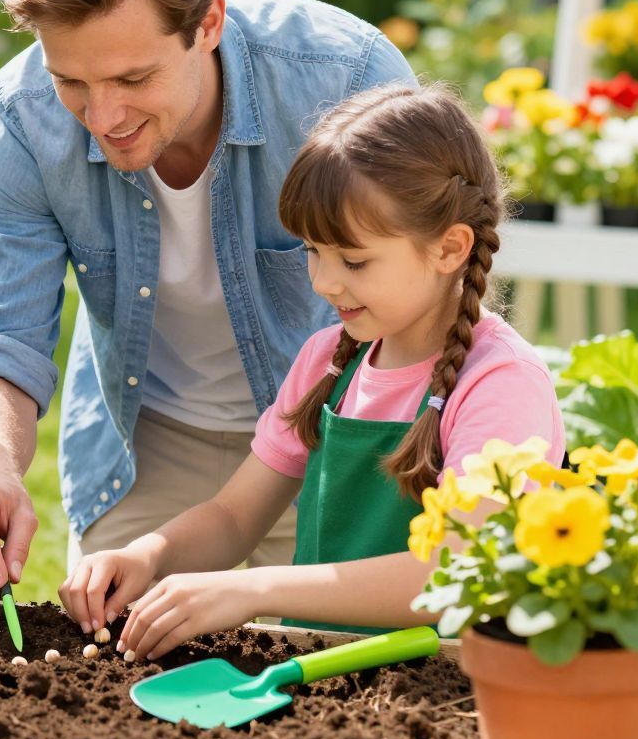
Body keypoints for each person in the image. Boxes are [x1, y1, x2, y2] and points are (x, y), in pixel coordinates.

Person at [0, 0, 419, 601]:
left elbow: (428, 305)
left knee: (338, 682)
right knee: (109, 661)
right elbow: (2, 337)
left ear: (209, 23)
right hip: (146, 443)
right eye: (73, 82)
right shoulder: (21, 118)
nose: (103, 118)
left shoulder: (345, 80)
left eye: (133, 79)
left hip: (331, 438)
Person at [60, 84, 566, 655]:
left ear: (450, 248)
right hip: (323, 675)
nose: (324, 282)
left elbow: (455, 572)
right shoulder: (328, 359)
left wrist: (254, 589)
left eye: (353, 260)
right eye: (312, 251)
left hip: (449, 691)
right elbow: (234, 517)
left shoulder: (500, 383)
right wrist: (146, 554)